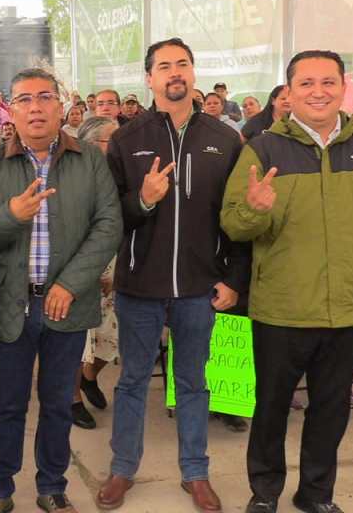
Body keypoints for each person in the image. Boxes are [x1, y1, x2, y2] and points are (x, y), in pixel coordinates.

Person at [221, 50, 353, 513]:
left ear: (343, 88)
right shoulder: (262, 149)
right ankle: (264, 493)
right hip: (282, 309)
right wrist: (253, 210)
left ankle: (316, 495)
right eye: (305, 83)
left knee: (331, 410)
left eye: (327, 82)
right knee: (270, 410)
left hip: (347, 309)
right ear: (289, 92)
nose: (317, 91)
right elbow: (233, 226)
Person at [100, 38, 250, 512]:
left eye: (182, 64)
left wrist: (233, 279)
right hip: (140, 286)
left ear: (193, 71)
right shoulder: (128, 139)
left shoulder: (225, 138)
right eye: (164, 66)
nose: (174, 73)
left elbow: (239, 218)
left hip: (200, 288)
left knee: (193, 383)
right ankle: (123, 468)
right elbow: (110, 216)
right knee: (130, 382)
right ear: (149, 79)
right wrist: (143, 199)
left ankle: (196, 472)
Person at [0, 68, 122, 513]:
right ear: (10, 111)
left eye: (43, 98)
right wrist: (11, 214)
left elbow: (109, 224)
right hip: (9, 305)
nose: (35, 107)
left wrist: (71, 284)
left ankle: (52, 485)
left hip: (66, 305)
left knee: (57, 404)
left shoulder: (89, 158)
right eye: (24, 100)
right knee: (8, 406)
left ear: (60, 105)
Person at [70, 116, 121, 431]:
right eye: (111, 141)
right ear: (90, 144)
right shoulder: (74, 176)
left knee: (114, 336)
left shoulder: (119, 175)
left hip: (116, 266)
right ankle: (71, 397)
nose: (119, 147)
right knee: (79, 340)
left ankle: (89, 377)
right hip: (81, 268)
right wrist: (86, 273)